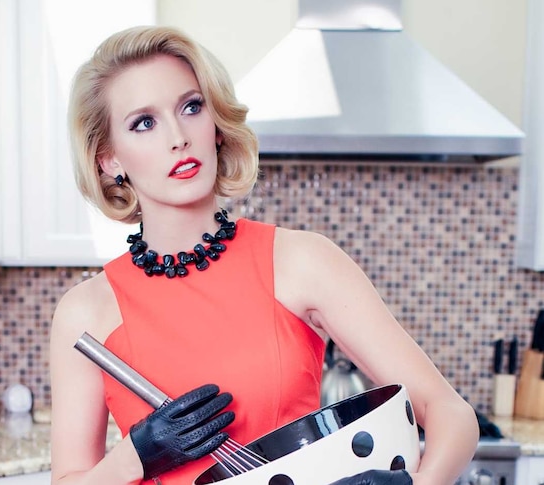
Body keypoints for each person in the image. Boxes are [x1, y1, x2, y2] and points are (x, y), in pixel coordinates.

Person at [49, 25, 477, 485]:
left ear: (214, 124)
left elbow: (449, 411)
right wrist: (136, 456)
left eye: (191, 107)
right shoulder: (86, 313)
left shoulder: (301, 261)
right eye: (144, 123)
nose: (179, 137)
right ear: (109, 159)